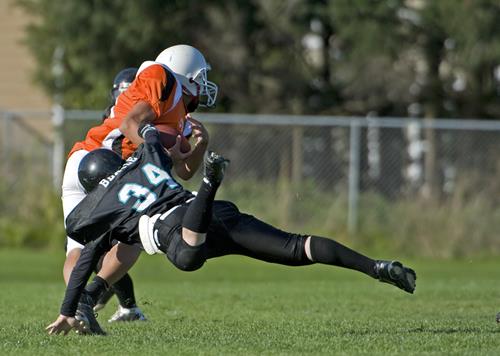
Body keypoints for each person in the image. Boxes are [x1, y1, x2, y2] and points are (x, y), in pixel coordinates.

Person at [47, 123, 417, 336]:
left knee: (188, 257)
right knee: (295, 248)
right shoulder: (145, 159)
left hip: (181, 228)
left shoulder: (97, 207)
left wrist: (68, 308)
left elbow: (85, 260)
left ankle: (211, 182)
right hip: (211, 214)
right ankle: (376, 267)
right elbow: (154, 139)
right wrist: (151, 128)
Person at [60, 44, 215, 325]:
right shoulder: (162, 77)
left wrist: (201, 145)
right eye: (199, 76)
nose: (203, 85)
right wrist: (156, 152)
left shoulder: (179, 115)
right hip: (105, 161)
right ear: (184, 72)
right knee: (133, 238)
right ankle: (89, 299)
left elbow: (185, 171)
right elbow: (131, 125)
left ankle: (79, 307)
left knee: (80, 248)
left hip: (85, 159)